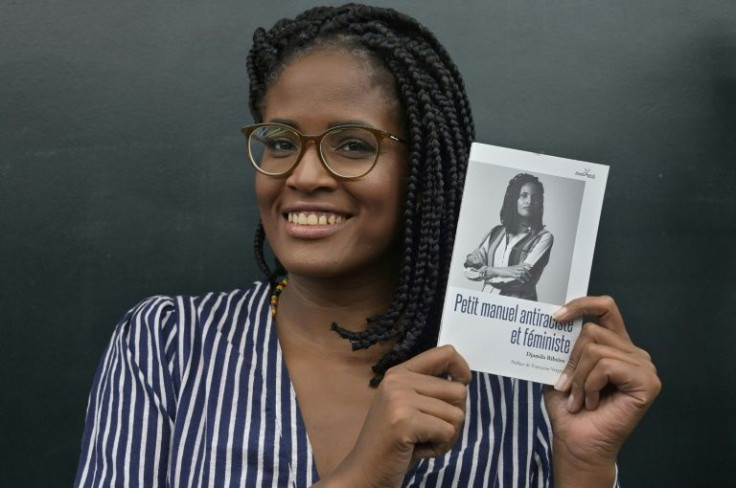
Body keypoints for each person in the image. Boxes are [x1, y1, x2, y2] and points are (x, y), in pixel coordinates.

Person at [75, 4, 661, 487]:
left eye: (352, 146)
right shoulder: (168, 345)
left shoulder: (523, 377)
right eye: (280, 142)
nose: (302, 176)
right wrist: (367, 471)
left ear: (425, 170)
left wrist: (586, 463)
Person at [464, 173, 553, 301]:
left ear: (540, 203)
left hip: (518, 310)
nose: (530, 201)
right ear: (513, 198)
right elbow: (468, 268)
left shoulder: (543, 238)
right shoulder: (495, 232)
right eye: (524, 195)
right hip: (484, 304)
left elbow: (520, 279)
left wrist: (486, 272)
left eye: (535, 197)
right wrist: (501, 271)